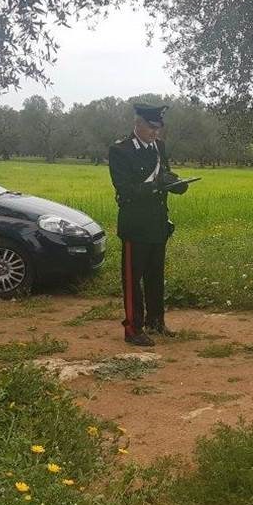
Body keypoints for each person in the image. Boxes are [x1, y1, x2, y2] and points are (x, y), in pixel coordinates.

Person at [108, 103, 189, 347]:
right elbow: (126, 190)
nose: (155, 133)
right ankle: (133, 328)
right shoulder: (120, 150)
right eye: (151, 127)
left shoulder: (159, 147)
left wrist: (177, 184)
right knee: (133, 280)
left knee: (156, 277)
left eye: (158, 128)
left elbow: (165, 175)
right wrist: (157, 184)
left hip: (157, 223)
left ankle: (156, 321)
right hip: (136, 225)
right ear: (138, 124)